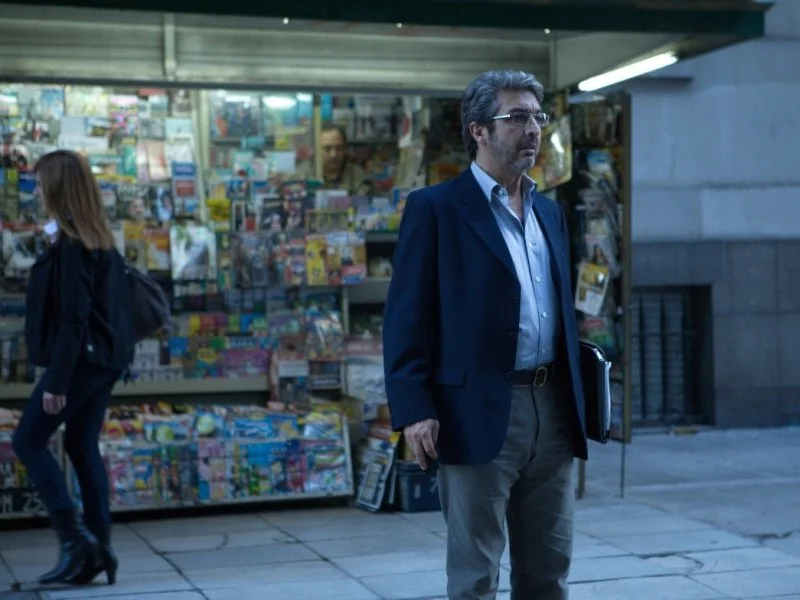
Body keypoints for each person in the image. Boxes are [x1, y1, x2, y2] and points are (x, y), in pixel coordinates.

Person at [383, 70, 588, 600]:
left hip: (552, 406)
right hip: (474, 409)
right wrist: (414, 409)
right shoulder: (436, 209)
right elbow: (405, 317)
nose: (533, 129)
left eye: (538, 117)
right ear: (478, 130)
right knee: (476, 575)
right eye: (516, 117)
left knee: (549, 571)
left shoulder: (550, 213)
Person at [12, 150, 135, 587]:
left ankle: (75, 542)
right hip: (103, 360)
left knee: (27, 440)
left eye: (41, 182)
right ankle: (100, 547)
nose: (37, 190)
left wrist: (57, 380)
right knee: (82, 445)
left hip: (80, 361)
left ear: (58, 187)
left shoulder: (73, 244)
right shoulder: (95, 237)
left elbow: (73, 317)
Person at [294, 123, 372, 195]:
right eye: (327, 149)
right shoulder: (300, 176)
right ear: (315, 150)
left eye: (339, 148)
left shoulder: (357, 175)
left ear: (345, 149)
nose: (333, 155)